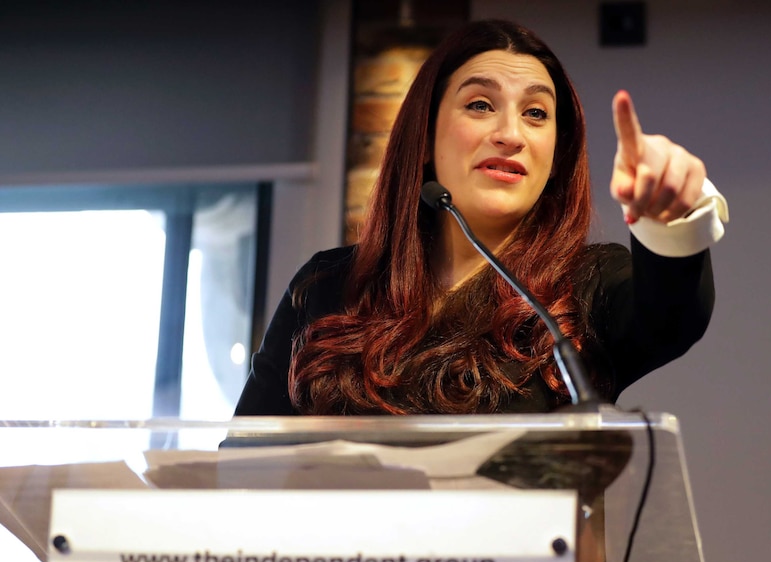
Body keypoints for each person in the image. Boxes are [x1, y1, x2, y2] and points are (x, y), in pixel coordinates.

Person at [234, 19, 728, 416]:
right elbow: (241, 469)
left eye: (536, 113)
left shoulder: (588, 284)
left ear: (555, 156)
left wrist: (672, 220)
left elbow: (673, 316)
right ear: (425, 141)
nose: (510, 133)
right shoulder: (326, 286)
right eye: (480, 105)